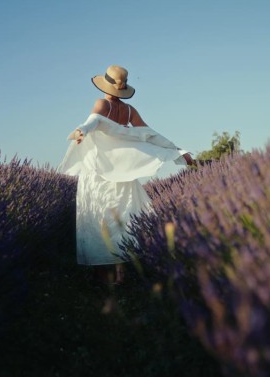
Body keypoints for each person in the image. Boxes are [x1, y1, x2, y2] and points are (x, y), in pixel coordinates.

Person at [58, 65, 195, 285]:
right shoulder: (130, 111)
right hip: (124, 175)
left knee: (98, 220)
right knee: (122, 220)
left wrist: (82, 130)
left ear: (105, 84)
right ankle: (121, 276)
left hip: (99, 174)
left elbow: (93, 121)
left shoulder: (102, 103)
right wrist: (179, 151)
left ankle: (104, 279)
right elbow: (151, 135)